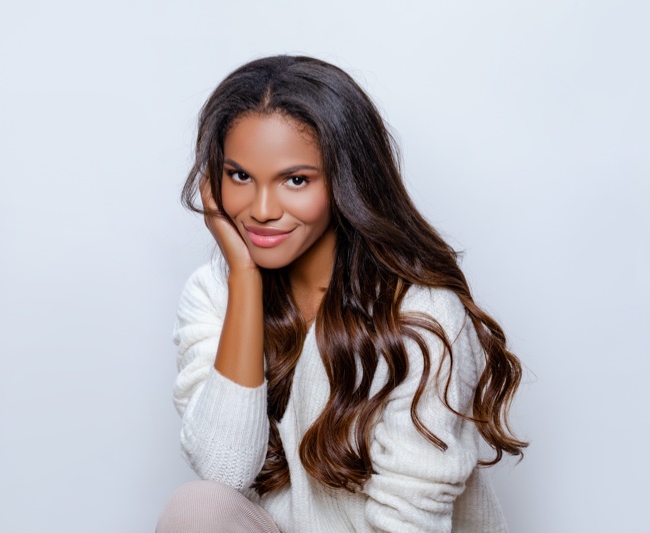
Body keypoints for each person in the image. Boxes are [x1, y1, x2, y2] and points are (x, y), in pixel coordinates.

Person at [157, 55, 527, 533]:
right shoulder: (213, 293)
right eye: (240, 177)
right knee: (199, 508)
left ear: (345, 180)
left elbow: (411, 520)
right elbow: (224, 469)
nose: (262, 209)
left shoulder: (418, 311)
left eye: (296, 180)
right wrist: (244, 282)